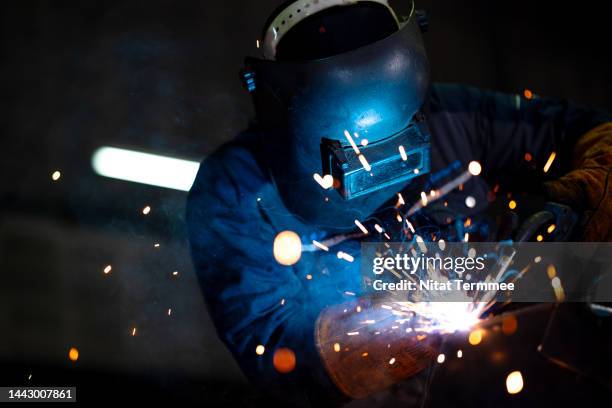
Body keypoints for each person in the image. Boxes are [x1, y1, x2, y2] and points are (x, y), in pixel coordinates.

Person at [187, 1, 611, 406]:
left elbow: (596, 132)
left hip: (510, 375)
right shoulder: (236, 189)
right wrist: (408, 320)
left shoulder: (456, 116)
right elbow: (278, 353)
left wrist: (579, 212)